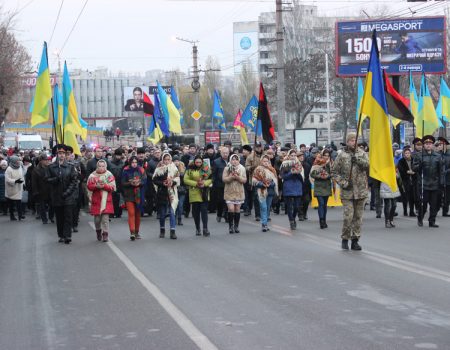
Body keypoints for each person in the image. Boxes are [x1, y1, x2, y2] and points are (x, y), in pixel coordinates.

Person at [332, 132, 369, 251]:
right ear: (347, 142)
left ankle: (355, 240)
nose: (354, 142)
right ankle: (345, 238)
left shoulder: (362, 153)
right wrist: (343, 183)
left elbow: (368, 166)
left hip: (361, 191)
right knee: (348, 216)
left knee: (358, 217)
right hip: (347, 192)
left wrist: (357, 159)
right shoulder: (341, 155)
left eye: (355, 140)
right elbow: (334, 172)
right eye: (351, 140)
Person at [46, 145, 79, 244]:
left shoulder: (70, 167)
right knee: (59, 217)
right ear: (57, 155)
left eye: (63, 153)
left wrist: (67, 193)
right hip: (57, 196)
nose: (62, 155)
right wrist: (55, 179)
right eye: (60, 153)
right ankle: (61, 235)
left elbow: (74, 181)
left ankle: (67, 235)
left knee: (68, 217)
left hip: (68, 197)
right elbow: (46, 179)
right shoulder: (51, 167)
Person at [412, 135, 441, 228]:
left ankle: (432, 221)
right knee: (423, 204)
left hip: (434, 184)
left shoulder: (438, 156)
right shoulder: (419, 156)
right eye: (426, 144)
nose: (428, 145)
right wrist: (419, 164)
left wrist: (441, 183)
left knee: (434, 205)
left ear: (432, 145)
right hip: (423, 184)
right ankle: (420, 218)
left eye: (430, 144)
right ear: (424, 145)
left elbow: (440, 171)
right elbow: (414, 168)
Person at [86, 160, 116, 242]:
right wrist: (96, 186)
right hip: (96, 200)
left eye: (103, 166)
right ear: (97, 166)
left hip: (106, 201)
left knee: (105, 219)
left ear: (105, 166)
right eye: (100, 166)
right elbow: (89, 186)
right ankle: (98, 231)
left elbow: (112, 187)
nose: (101, 168)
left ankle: (105, 234)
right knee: (97, 220)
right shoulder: (92, 175)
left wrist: (104, 186)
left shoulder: (109, 175)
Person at [153, 153, 180, 240]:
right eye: (165, 159)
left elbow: (178, 179)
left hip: (172, 193)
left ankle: (173, 231)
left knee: (172, 212)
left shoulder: (174, 168)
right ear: (162, 160)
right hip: (162, 193)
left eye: (168, 159)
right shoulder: (159, 169)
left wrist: (172, 182)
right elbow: (154, 180)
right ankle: (162, 230)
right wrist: (162, 183)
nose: (167, 161)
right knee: (163, 214)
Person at [183, 155, 212, 236]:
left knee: (204, 211)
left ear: (202, 162)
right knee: (196, 212)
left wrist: (204, 183)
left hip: (204, 192)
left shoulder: (206, 168)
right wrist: (196, 184)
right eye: (197, 162)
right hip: (194, 192)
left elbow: (211, 178)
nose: (198, 163)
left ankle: (205, 228)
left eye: (200, 162)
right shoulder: (190, 169)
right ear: (194, 162)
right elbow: (185, 180)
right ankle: (197, 228)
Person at [121, 155, 147, 240]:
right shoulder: (125, 170)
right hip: (129, 195)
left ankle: (137, 232)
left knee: (138, 215)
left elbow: (145, 181)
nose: (134, 164)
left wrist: (139, 183)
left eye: (136, 162)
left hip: (139, 195)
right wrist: (130, 183)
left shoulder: (141, 170)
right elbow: (122, 183)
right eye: (133, 162)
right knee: (131, 213)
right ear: (130, 162)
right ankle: (132, 232)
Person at [252, 154, 278, 232]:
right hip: (261, 191)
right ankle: (264, 224)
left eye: (267, 161)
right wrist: (262, 184)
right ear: (261, 161)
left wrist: (270, 184)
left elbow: (275, 181)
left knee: (268, 208)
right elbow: (254, 180)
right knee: (263, 207)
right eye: (264, 161)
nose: (265, 162)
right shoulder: (258, 169)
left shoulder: (272, 169)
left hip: (270, 191)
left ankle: (265, 221)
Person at [222, 154, 247, 234]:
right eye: (233, 159)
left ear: (238, 160)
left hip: (239, 191)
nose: (234, 161)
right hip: (229, 191)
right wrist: (231, 177)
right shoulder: (227, 168)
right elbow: (224, 179)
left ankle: (236, 226)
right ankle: (230, 226)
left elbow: (244, 180)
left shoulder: (242, 168)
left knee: (237, 209)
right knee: (231, 209)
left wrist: (238, 177)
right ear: (230, 160)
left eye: (236, 159)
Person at [280, 150, 303, 230]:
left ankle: (293, 218)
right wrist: (291, 173)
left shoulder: (299, 164)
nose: (293, 157)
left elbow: (302, 178)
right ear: (288, 156)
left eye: (294, 155)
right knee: (289, 206)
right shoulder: (284, 164)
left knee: (296, 206)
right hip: (288, 187)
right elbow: (283, 177)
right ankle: (291, 221)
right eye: (291, 155)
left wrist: (298, 173)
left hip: (297, 187)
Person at [310, 149, 333, 229]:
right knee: (321, 204)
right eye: (325, 155)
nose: (326, 157)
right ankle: (321, 220)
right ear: (322, 155)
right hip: (319, 185)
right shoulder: (317, 162)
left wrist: (328, 176)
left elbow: (333, 173)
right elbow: (312, 174)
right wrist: (320, 176)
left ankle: (324, 220)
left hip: (326, 185)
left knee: (325, 205)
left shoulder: (330, 163)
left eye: (328, 155)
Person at [31, 154, 53, 224]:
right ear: (41, 161)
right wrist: (35, 192)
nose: (47, 161)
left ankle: (51, 217)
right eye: (45, 160)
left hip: (50, 190)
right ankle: (44, 219)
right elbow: (34, 182)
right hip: (41, 191)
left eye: (47, 160)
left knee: (52, 205)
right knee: (42, 207)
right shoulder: (36, 170)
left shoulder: (50, 168)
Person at [245, 141, 263, 221]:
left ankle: (265, 213)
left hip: (264, 178)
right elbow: (246, 167)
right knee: (256, 197)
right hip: (254, 179)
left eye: (259, 146)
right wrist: (251, 167)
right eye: (257, 147)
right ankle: (258, 215)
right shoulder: (250, 157)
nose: (258, 148)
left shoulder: (264, 155)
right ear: (254, 147)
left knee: (264, 196)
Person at [397, 147, 417, 217]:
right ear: (403, 154)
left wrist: (413, 172)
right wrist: (407, 172)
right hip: (404, 181)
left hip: (413, 181)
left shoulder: (414, 160)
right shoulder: (401, 161)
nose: (407, 154)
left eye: (408, 153)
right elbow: (401, 170)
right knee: (404, 197)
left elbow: (417, 167)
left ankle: (411, 211)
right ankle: (405, 210)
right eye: (406, 153)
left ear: (410, 154)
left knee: (412, 197)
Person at [213, 147, 229, 223]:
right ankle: (219, 214)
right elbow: (214, 174)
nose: (225, 154)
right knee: (220, 201)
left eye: (227, 153)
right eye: (224, 153)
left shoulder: (231, 161)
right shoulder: (216, 162)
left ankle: (226, 215)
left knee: (227, 200)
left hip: (229, 184)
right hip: (219, 185)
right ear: (221, 153)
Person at [5, 156, 24, 221]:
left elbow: (22, 176)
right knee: (11, 203)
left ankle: (20, 215)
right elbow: (7, 179)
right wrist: (15, 181)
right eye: (17, 161)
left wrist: (23, 183)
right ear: (13, 162)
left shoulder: (20, 167)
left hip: (18, 187)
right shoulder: (9, 169)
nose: (18, 162)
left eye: (19, 161)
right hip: (11, 188)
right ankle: (12, 215)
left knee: (19, 202)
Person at [109, 149, 124, 218]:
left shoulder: (123, 163)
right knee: (112, 198)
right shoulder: (110, 163)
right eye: (117, 155)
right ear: (114, 155)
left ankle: (118, 213)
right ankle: (111, 213)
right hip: (112, 182)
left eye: (119, 155)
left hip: (120, 183)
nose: (118, 157)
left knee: (119, 198)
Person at [438, 137, 450, 217]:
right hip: (439, 179)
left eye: (441, 144)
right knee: (439, 195)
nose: (439, 146)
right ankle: (438, 207)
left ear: (445, 145)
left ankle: (445, 211)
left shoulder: (449, 155)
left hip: (448, 178)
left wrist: (446, 171)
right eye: (438, 144)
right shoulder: (438, 155)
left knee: (447, 196)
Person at [173, 155, 186, 226]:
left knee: (180, 205)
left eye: (177, 161)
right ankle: (174, 218)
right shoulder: (170, 168)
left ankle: (180, 218)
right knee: (175, 205)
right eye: (175, 161)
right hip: (174, 188)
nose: (176, 162)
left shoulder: (183, 167)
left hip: (182, 189)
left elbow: (185, 178)